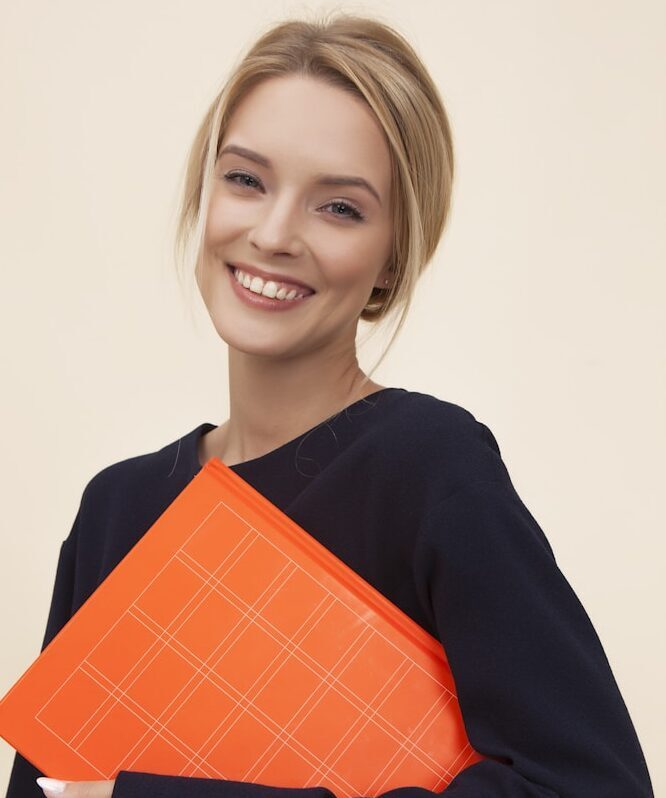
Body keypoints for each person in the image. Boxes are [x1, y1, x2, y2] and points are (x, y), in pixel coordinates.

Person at [6, 11, 653, 798]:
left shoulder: (428, 468)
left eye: (339, 207)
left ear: (391, 261)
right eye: (245, 179)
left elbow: (591, 788)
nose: (275, 234)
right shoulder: (117, 509)